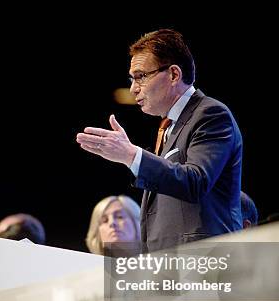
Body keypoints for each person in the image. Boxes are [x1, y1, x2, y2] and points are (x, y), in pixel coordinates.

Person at [76, 29, 243, 252]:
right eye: (131, 79)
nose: (133, 88)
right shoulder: (169, 127)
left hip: (203, 260)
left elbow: (195, 181)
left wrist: (131, 155)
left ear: (174, 74)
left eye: (141, 76)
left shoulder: (210, 114)